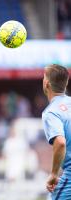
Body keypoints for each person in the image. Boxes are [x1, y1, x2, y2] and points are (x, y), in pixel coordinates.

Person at [42, 64, 71, 199]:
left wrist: (53, 174)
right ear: (65, 84)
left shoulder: (51, 112)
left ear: (46, 83)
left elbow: (60, 142)